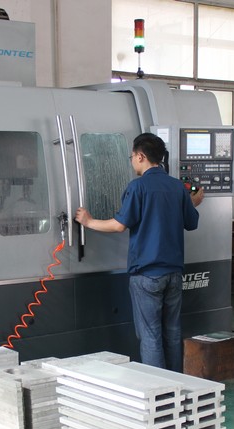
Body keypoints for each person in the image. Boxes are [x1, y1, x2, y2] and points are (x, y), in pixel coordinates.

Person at [75, 132, 204, 372]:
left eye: (132, 156)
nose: (132, 161)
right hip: (174, 274)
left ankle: (159, 387)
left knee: (150, 335)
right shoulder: (177, 187)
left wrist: (89, 221)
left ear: (141, 156)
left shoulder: (138, 187)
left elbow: (119, 225)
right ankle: (176, 384)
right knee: (172, 332)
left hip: (147, 275)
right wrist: (192, 202)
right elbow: (191, 221)